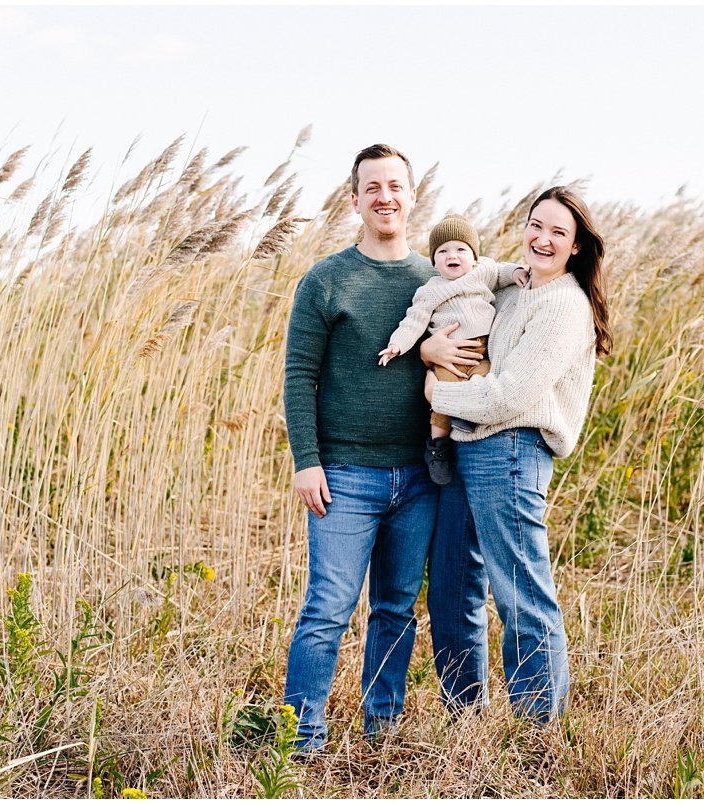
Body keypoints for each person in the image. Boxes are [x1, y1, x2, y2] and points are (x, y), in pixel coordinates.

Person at [419, 186, 612, 721]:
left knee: (520, 593)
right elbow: (454, 325)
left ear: (575, 247)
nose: (543, 239)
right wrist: (427, 351)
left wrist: (439, 394)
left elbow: (511, 394)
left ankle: (535, 730)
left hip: (511, 449)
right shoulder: (511, 289)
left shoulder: (563, 305)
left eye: (558, 232)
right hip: (466, 444)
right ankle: (465, 718)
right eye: (536, 225)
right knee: (453, 588)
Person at [281, 143, 438, 752]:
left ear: (411, 195)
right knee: (327, 610)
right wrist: (306, 460)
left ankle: (382, 733)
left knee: (396, 610)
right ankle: (301, 742)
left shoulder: (436, 281)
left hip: (418, 478)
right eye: (371, 187)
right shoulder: (326, 280)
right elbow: (299, 375)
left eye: (395, 185)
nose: (385, 197)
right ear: (354, 200)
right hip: (344, 475)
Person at [377, 213, 526, 485]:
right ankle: (438, 447)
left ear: (474, 256)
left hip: (481, 353)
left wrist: (516, 271)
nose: (451, 255)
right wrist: (396, 345)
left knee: (484, 380)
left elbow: (503, 271)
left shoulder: (484, 271)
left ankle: (466, 419)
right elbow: (414, 320)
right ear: (434, 261)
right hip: (447, 359)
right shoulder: (430, 290)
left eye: (460, 249)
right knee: (442, 400)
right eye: (443, 251)